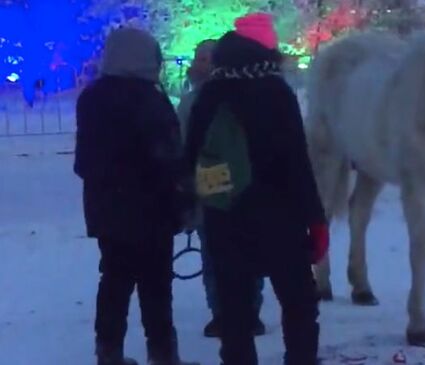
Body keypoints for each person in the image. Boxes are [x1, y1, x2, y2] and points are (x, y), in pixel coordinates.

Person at [184, 13, 329, 365]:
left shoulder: (209, 93)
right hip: (280, 216)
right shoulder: (276, 91)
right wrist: (316, 219)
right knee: (298, 305)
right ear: (267, 46)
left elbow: (190, 157)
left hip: (224, 215)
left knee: (234, 311)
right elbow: (297, 161)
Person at [74, 27, 198, 365]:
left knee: (114, 281)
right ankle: (163, 353)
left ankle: (108, 351)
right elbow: (169, 157)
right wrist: (185, 200)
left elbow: (85, 162)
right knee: (156, 287)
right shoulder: (150, 100)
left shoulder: (92, 98)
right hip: (152, 211)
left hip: (107, 211)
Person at [177, 39, 266, 338]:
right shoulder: (190, 102)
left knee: (246, 253)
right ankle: (222, 312)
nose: (201, 64)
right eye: (198, 57)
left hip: (243, 187)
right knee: (213, 255)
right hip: (208, 188)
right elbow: (183, 145)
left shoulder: (241, 98)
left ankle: (249, 311)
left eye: (207, 58)